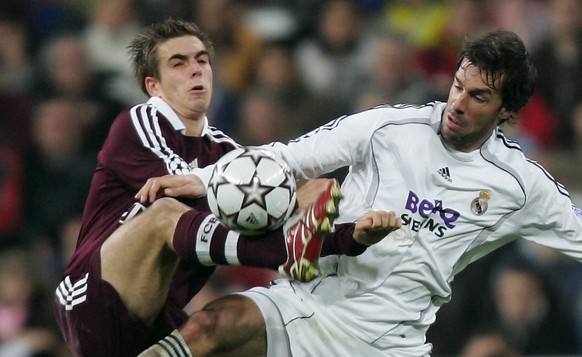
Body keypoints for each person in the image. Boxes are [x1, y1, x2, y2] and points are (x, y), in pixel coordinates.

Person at [137, 29, 582, 356]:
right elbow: (290, 158)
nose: (458, 104)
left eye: (479, 97)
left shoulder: (521, 184)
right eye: (457, 86)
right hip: (310, 299)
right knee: (206, 327)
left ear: (507, 110)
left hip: (389, 341)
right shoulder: (387, 127)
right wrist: (206, 178)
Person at [53, 18, 399, 357]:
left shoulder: (228, 153)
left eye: (202, 59)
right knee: (166, 212)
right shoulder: (139, 122)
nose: (196, 69)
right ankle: (284, 251)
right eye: (179, 62)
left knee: (246, 326)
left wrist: (351, 236)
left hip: (156, 320)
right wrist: (290, 203)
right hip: (92, 297)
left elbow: (272, 219)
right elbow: (186, 194)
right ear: (153, 86)